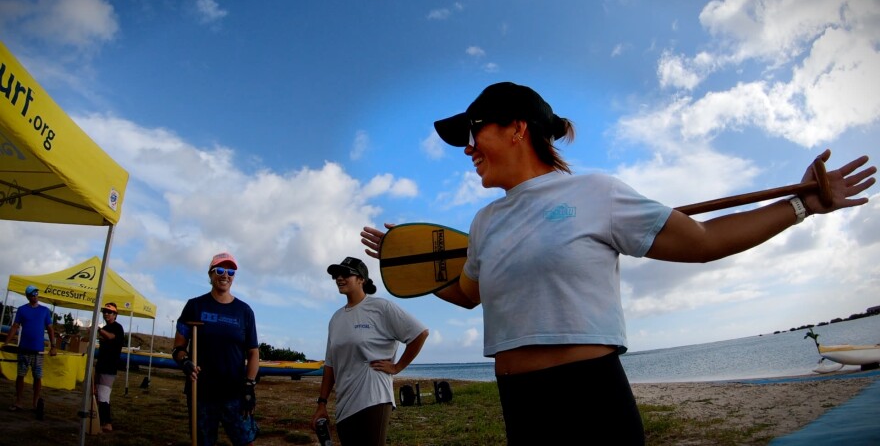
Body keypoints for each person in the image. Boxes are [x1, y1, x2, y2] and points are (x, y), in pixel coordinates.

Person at [360, 81, 877, 445]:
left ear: (517, 128)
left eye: (475, 131)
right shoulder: (484, 222)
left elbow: (703, 240)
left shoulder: (597, 193)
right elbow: (468, 294)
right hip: (519, 400)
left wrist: (800, 205)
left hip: (590, 394)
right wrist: (405, 263)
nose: (468, 148)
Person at [311, 256, 429, 446]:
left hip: (374, 397)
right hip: (344, 404)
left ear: (361, 279)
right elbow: (330, 366)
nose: (339, 278)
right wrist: (322, 403)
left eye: (346, 274)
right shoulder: (336, 319)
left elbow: (420, 333)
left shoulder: (381, 308)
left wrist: (397, 367)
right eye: (336, 275)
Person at [172, 252, 260, 446]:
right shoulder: (194, 306)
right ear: (210, 274)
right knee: (204, 441)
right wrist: (184, 361)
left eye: (231, 271)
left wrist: (249, 386)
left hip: (234, 392)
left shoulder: (244, 311)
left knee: (246, 441)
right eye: (219, 270)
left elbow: (253, 353)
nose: (225, 275)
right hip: (201, 391)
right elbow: (178, 347)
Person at [4, 284, 57, 419]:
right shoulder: (22, 310)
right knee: (20, 375)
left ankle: (35, 403)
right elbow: (15, 326)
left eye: (36, 293)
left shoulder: (45, 311)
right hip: (24, 349)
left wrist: (53, 346)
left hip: (38, 351)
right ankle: (19, 401)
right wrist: (6, 342)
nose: (35, 296)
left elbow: (50, 329)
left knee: (37, 377)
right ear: (28, 296)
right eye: (32, 294)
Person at [94, 301, 125, 432]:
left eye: (109, 312)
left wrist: (98, 330)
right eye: (104, 312)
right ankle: (99, 420)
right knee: (97, 394)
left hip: (110, 367)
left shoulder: (118, 328)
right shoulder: (105, 328)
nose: (106, 314)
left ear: (115, 314)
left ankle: (107, 423)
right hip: (101, 365)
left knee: (104, 395)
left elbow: (111, 337)